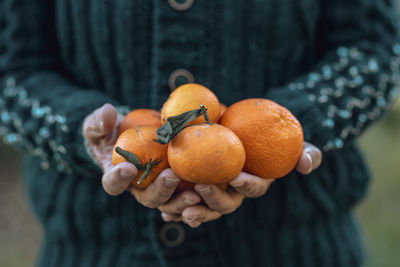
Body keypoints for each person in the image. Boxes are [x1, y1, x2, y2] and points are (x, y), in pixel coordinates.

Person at [0, 0, 399, 266]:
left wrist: (292, 124)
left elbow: (374, 49)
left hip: (298, 245)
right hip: (95, 248)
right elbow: (13, 70)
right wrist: (90, 132)